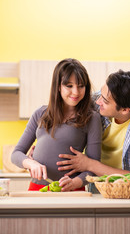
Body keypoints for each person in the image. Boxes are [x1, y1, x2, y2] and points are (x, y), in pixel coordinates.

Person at [11, 58, 102, 191]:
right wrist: (31, 163)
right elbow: (16, 154)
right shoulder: (40, 113)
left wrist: (76, 182)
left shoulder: (92, 118)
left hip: (71, 190)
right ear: (58, 86)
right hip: (37, 188)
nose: (76, 92)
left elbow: (94, 166)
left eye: (81, 86)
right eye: (69, 86)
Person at [56, 70, 130, 184]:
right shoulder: (97, 100)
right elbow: (56, 112)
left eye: (104, 101)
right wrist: (36, 154)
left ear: (125, 109)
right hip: (96, 186)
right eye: (101, 94)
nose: (98, 101)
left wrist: (90, 164)